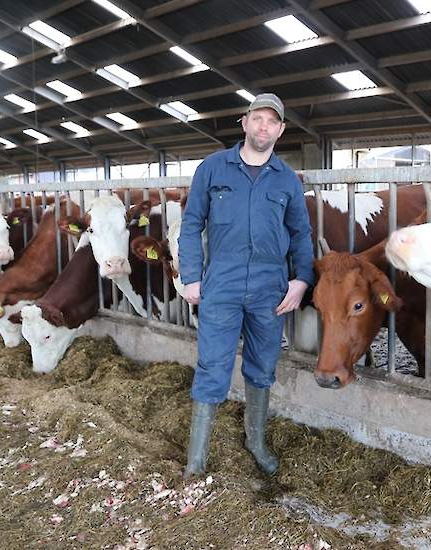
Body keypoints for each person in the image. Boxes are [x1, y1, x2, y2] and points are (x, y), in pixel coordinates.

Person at [178, 93, 314, 478]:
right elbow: (191, 225)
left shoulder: (287, 179)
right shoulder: (212, 169)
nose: (264, 127)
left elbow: (301, 234)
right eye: (257, 119)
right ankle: (196, 460)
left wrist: (301, 280)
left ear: (281, 129)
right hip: (222, 281)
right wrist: (191, 277)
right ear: (244, 122)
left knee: (262, 365)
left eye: (272, 121)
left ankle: (255, 442)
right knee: (212, 365)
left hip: (270, 287)